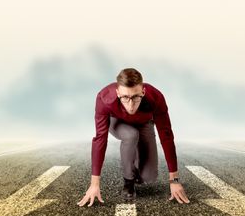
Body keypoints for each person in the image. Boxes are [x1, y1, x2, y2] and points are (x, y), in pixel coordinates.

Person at [77, 68, 190, 206]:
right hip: (117, 122)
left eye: (136, 97)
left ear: (143, 92)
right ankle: (128, 181)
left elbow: (166, 136)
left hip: (144, 123)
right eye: (125, 97)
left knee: (149, 177)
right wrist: (94, 184)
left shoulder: (156, 97)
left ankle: (135, 164)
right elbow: (100, 138)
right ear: (118, 93)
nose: (131, 105)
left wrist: (174, 181)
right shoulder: (104, 97)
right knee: (131, 135)